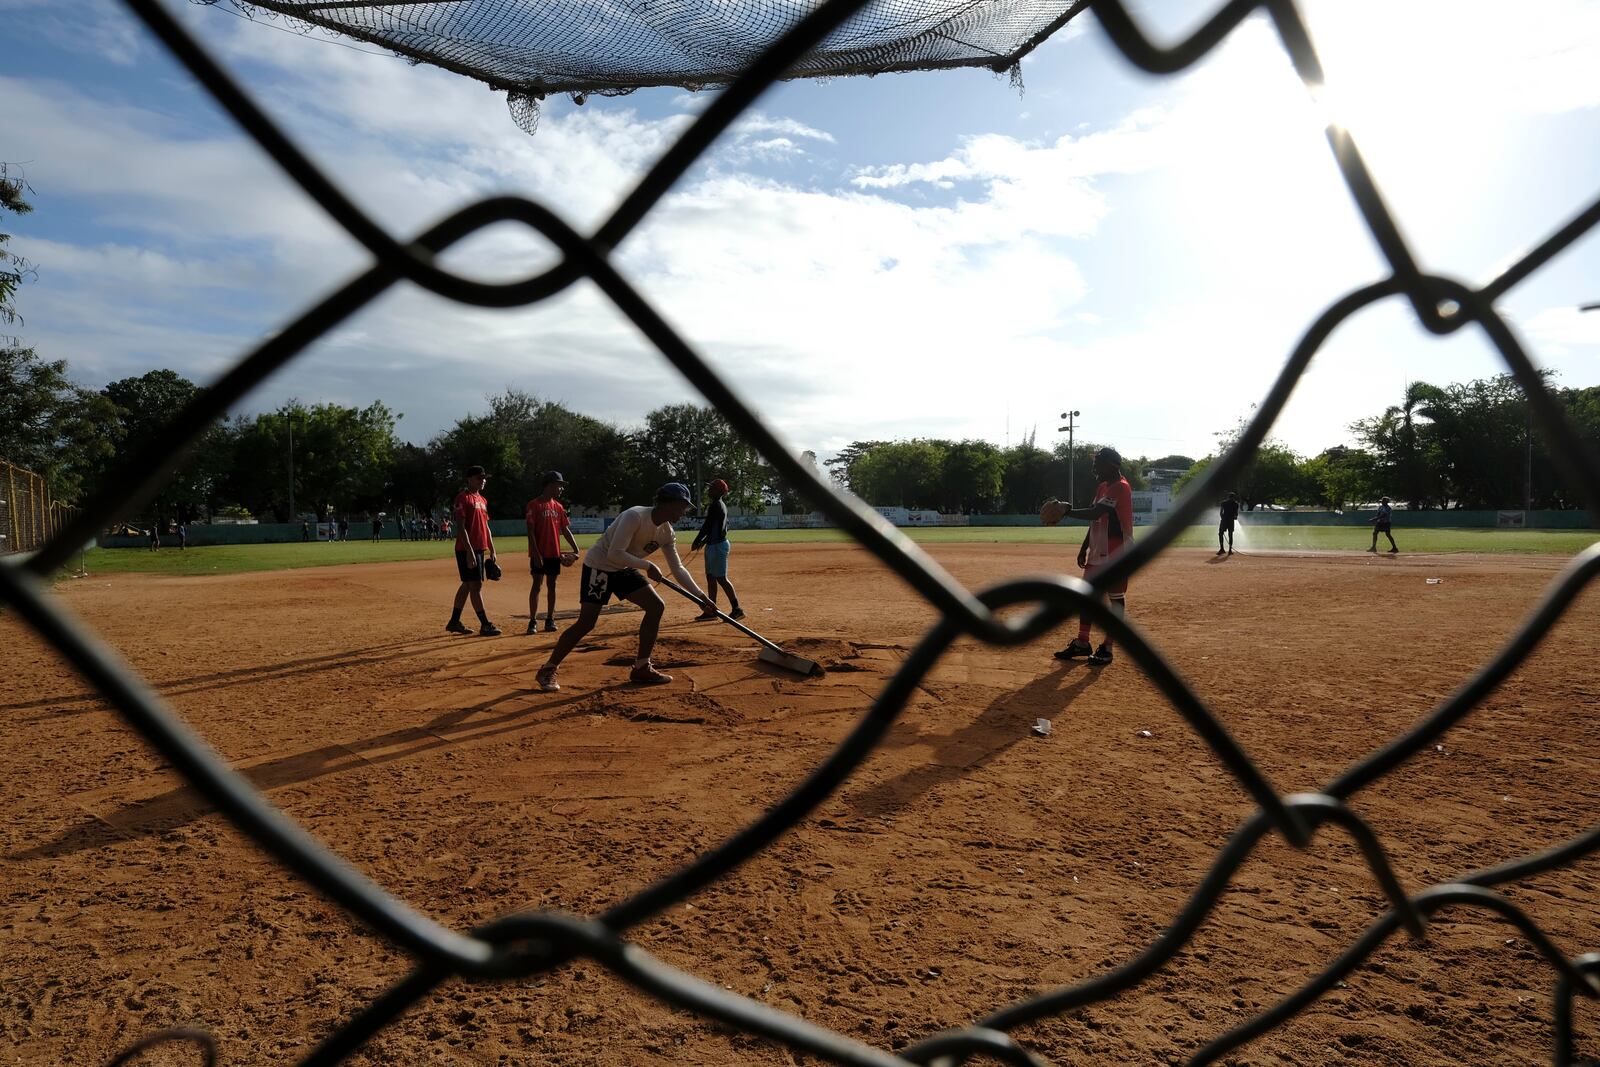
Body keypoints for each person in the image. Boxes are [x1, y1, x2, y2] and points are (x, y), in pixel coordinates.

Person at [535, 482, 712, 691]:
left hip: (624, 568)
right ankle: (548, 668)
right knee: (586, 622)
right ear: (667, 504)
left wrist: (702, 597)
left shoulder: (666, 532)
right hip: (599, 566)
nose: (684, 512)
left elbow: (679, 569)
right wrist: (647, 565)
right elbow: (614, 553)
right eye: (681, 506)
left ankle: (641, 667)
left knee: (656, 606)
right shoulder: (635, 516)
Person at [1043, 447, 1134, 667]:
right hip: (1097, 551)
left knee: (1115, 598)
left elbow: (1096, 512)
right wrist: (1084, 547)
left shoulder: (1120, 487)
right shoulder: (1102, 487)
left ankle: (1108, 647)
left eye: (1098, 463)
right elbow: (1096, 519)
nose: (1094, 467)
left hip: (1116, 552)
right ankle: (1083, 643)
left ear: (1112, 465)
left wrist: (1066, 510)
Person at [446, 466, 502, 636]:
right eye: (479, 478)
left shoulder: (483, 500)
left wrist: (492, 549)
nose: (482, 480)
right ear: (469, 479)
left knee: (467, 584)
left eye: (484, 478)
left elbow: (486, 526)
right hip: (466, 549)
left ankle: (454, 622)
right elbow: (460, 528)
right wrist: (469, 551)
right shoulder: (463, 498)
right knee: (475, 585)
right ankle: (485, 624)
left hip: (479, 548)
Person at [525, 470, 581, 634]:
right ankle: (533, 621)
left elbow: (565, 530)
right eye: (559, 485)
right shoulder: (533, 505)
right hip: (539, 554)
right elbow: (530, 531)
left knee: (552, 585)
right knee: (537, 585)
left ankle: (550, 619)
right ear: (549, 485)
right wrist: (536, 554)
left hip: (554, 554)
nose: (561, 489)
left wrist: (576, 549)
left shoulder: (558, 506)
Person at [691, 478, 743, 620]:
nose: (709, 490)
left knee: (720, 578)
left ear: (719, 491)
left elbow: (708, 525)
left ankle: (737, 609)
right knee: (711, 578)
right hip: (714, 544)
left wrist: (698, 540)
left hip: (718, 546)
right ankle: (711, 610)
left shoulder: (716, 505)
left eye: (712, 488)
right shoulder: (719, 505)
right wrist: (705, 540)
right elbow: (719, 527)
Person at [1218, 491, 1239, 556]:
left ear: (1228, 497)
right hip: (1230, 520)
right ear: (1233, 497)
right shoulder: (1236, 503)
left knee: (1221, 533)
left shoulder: (1223, 503)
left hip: (1224, 520)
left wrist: (1222, 518)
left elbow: (1221, 512)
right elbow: (1236, 513)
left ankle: (1222, 549)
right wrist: (1235, 517)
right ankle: (1229, 550)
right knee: (1230, 534)